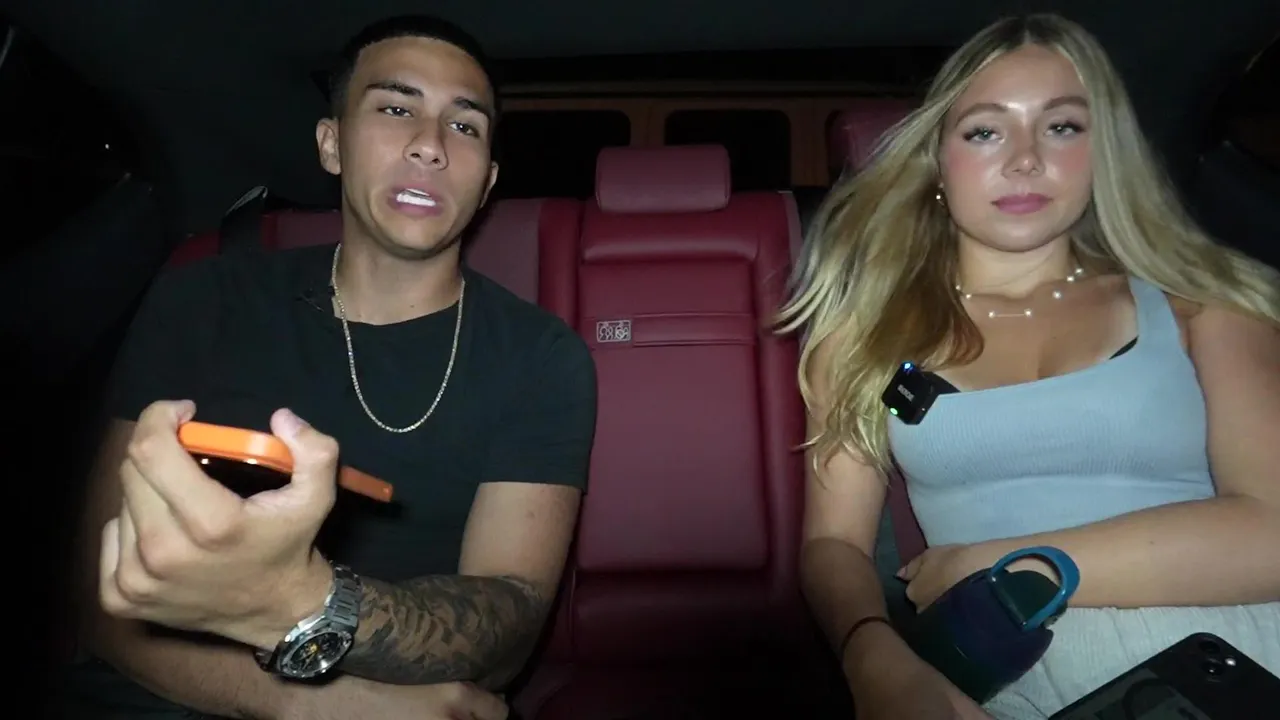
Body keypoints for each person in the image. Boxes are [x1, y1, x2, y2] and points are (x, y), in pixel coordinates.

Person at [61, 14, 597, 720]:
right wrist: (322, 706)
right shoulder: (204, 300)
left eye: (464, 126)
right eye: (396, 109)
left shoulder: (540, 355)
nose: (430, 145)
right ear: (332, 143)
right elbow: (100, 598)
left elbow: (508, 626)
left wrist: (305, 599)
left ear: (488, 178)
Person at [777, 13, 1280, 720]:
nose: (1024, 159)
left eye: (1062, 127)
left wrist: (1008, 566)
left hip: (1236, 664)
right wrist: (873, 654)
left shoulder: (1205, 307)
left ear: (1104, 154)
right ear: (938, 162)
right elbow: (834, 543)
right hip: (1005, 685)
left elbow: (1272, 533)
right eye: (985, 131)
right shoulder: (869, 338)